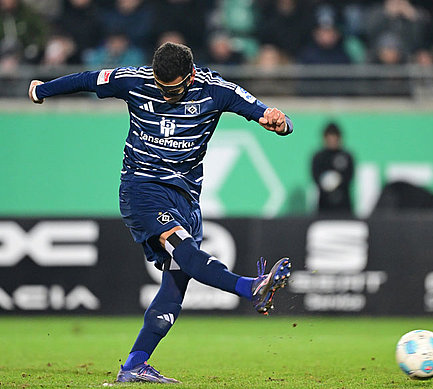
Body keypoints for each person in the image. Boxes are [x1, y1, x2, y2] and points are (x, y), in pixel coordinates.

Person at [28, 42, 293, 383]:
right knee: (189, 254)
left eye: (175, 89)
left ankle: (134, 365)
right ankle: (251, 287)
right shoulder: (134, 81)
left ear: (192, 76)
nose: (167, 95)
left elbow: (271, 117)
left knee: (174, 287)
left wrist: (278, 121)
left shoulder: (216, 91)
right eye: (162, 87)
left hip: (186, 199)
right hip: (142, 189)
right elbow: (87, 79)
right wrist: (41, 90)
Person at [311, 122, 355, 215]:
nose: (332, 140)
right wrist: (326, 182)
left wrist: (338, 180)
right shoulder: (319, 157)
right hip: (324, 207)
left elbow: (349, 176)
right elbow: (315, 176)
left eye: (334, 137)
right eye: (329, 137)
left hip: (344, 207)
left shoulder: (346, 156)